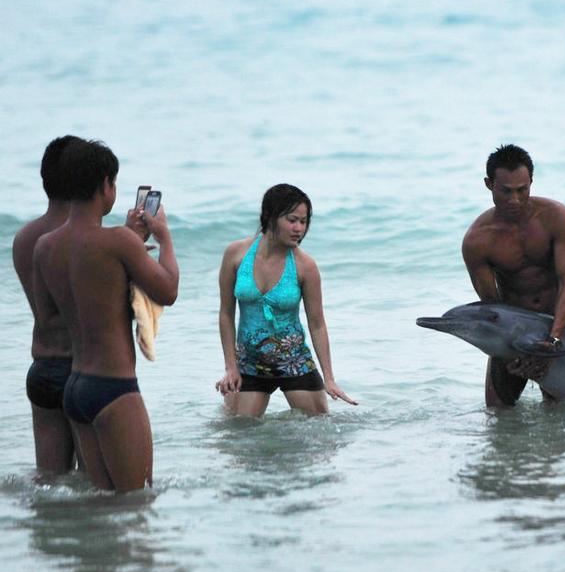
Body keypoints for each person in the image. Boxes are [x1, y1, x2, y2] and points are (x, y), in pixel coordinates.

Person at [31, 140, 179, 491]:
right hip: (114, 388)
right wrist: (165, 238)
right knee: (136, 502)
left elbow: (50, 314)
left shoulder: (45, 246)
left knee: (102, 505)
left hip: (75, 388)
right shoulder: (117, 242)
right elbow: (168, 290)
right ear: (105, 185)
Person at [215, 184, 357, 416]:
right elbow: (226, 314)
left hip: (295, 363)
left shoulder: (305, 266)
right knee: (238, 439)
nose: (299, 228)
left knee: (320, 438)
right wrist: (231, 368)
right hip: (249, 366)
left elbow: (317, 323)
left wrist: (329, 379)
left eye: (304, 221)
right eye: (292, 220)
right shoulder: (236, 255)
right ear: (270, 216)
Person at [462, 144, 565, 407]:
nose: (514, 200)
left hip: (559, 322)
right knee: (498, 413)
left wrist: (554, 340)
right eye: (505, 191)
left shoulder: (557, 218)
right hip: (513, 329)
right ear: (488, 184)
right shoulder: (477, 240)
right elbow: (492, 305)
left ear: (531, 182)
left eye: (522, 190)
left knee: (560, 412)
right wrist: (508, 355)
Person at [12, 136, 83, 473]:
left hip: (41, 369)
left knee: (50, 483)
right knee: (97, 485)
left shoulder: (25, 238)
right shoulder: (85, 238)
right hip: (83, 371)